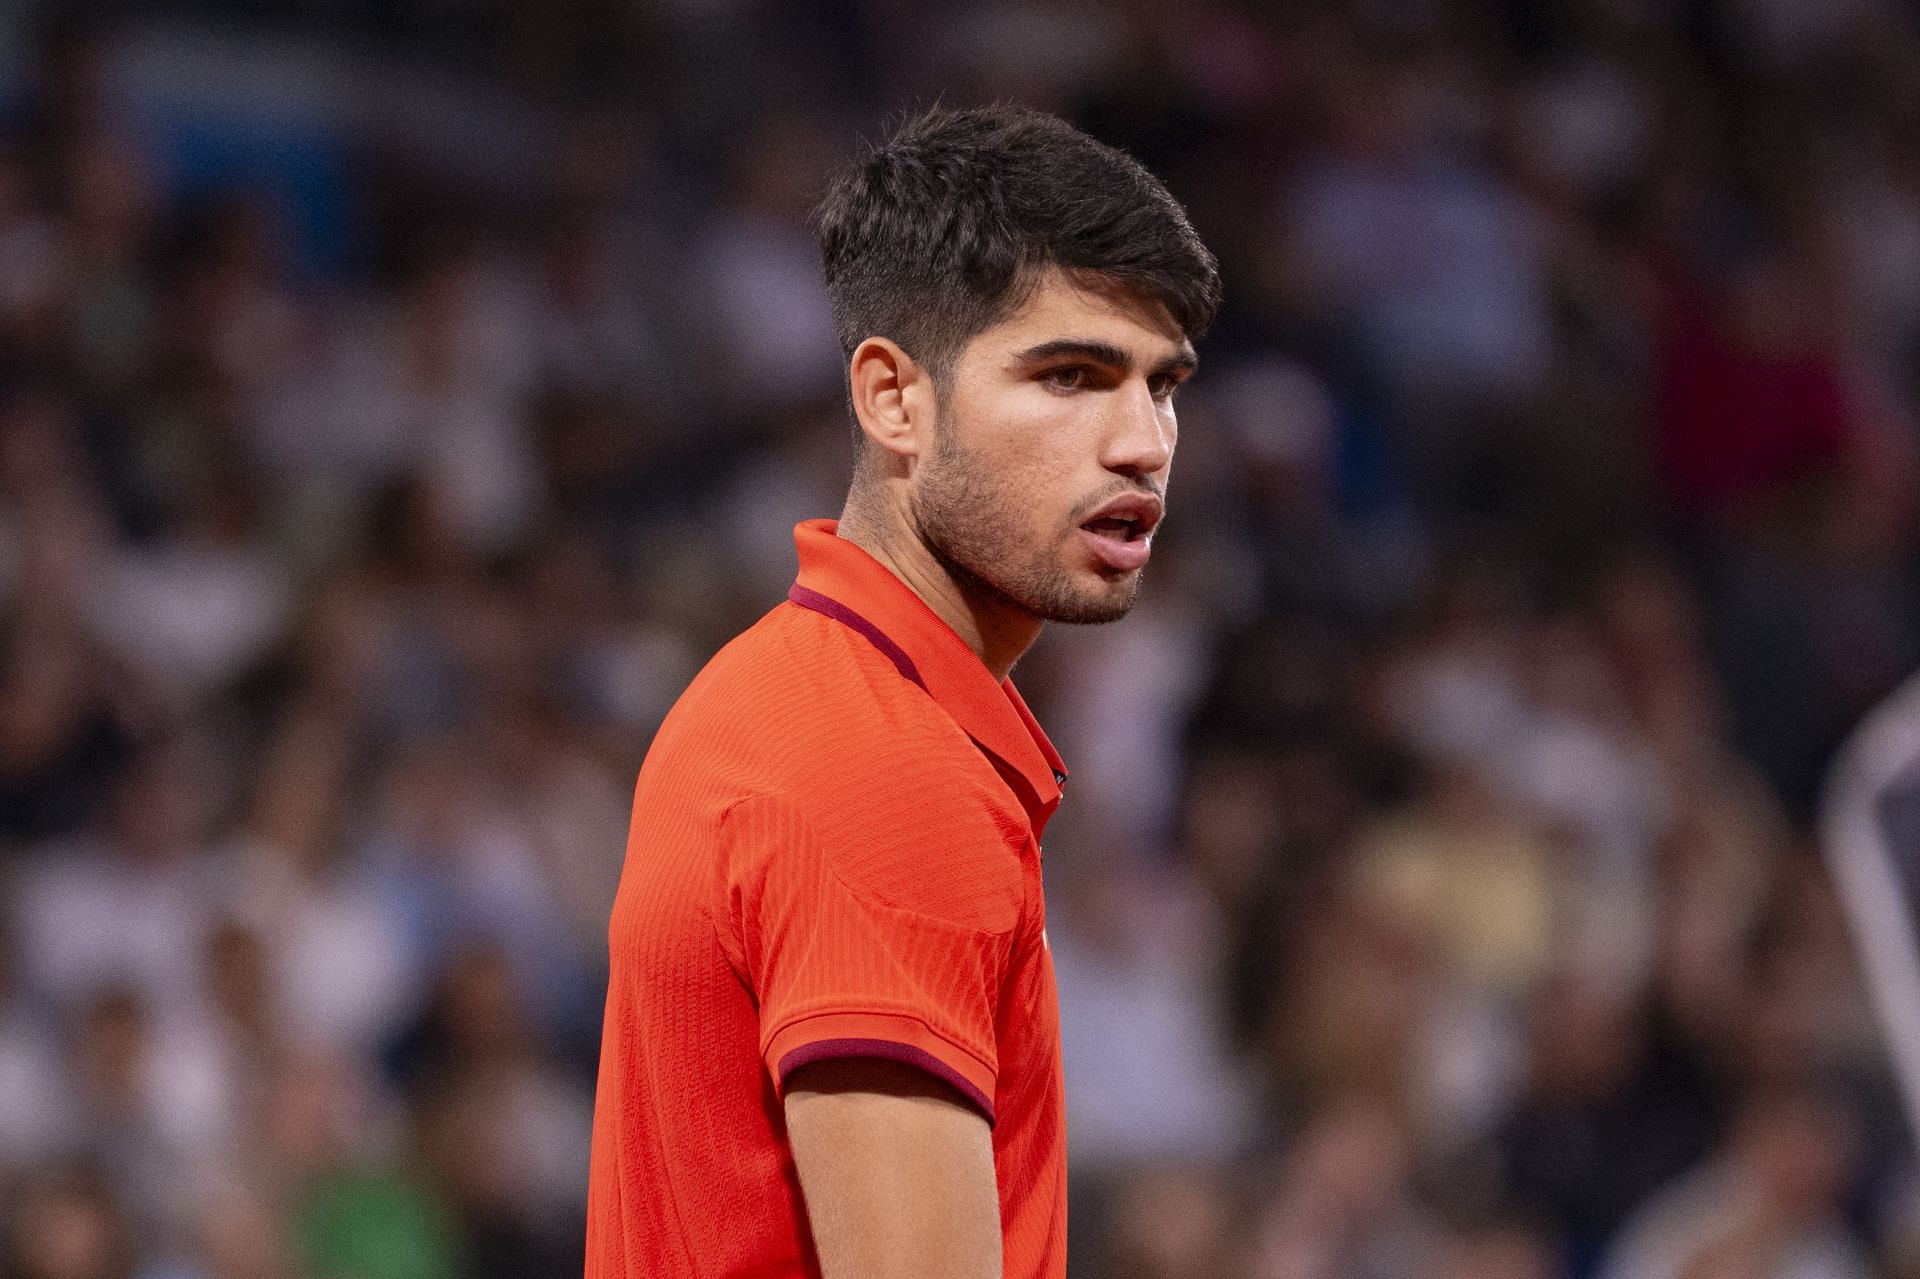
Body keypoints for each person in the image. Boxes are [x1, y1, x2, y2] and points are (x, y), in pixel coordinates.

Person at [583, 104, 1219, 1279]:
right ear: (892, 398)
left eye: (1162, 385)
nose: (1142, 443)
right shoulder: (885, 771)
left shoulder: (783, 691)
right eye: (1071, 375)